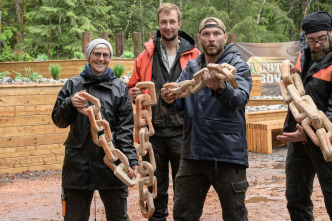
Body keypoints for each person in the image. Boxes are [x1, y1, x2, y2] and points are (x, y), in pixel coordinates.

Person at [161, 17, 252, 220]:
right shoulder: (192, 68)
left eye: (216, 34)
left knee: (235, 216)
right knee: (183, 214)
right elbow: (178, 104)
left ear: (225, 37)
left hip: (228, 155)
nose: (211, 39)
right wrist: (168, 100)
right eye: (206, 34)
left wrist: (220, 88)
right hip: (193, 154)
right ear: (199, 38)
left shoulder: (238, 66)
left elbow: (240, 99)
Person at [277, 11, 332, 220]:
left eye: (321, 39)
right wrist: (291, 74)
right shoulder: (305, 53)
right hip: (301, 140)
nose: (316, 45)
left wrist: (307, 135)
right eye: (311, 40)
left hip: (330, 142)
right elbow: (299, 94)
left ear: (331, 34)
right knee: (296, 200)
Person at [127, 3, 200, 221]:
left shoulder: (195, 55)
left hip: (183, 131)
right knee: (154, 188)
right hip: (152, 133)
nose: (168, 27)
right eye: (163, 22)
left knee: (185, 190)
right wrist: (133, 93)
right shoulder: (145, 56)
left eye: (172, 22)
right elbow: (132, 86)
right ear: (158, 24)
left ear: (180, 23)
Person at [52, 38, 137, 221]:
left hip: (111, 162)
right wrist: (69, 103)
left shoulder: (120, 88)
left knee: (118, 217)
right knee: (75, 217)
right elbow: (59, 121)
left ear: (110, 58)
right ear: (89, 56)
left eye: (105, 55)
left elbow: (125, 128)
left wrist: (130, 158)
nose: (101, 59)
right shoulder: (73, 85)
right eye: (96, 54)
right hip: (78, 165)